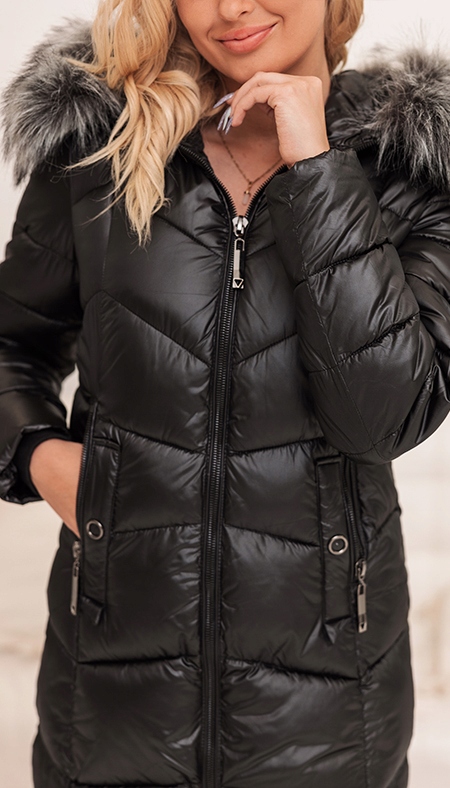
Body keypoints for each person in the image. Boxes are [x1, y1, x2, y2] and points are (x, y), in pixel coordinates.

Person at [1, 0, 450, 786]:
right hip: (110, 705)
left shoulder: (411, 165)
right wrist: (41, 455)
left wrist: (316, 169)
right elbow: (10, 346)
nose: (232, 7)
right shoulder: (100, 142)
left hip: (330, 718)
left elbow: (384, 419)